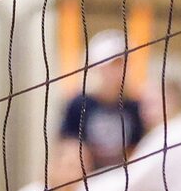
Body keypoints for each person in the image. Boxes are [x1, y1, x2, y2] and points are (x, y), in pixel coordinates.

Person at [55, 31, 148, 179]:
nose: (121, 70)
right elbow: (67, 150)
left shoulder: (135, 106)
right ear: (97, 67)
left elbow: (138, 152)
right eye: (115, 64)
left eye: (125, 62)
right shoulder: (79, 105)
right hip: (85, 182)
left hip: (124, 182)